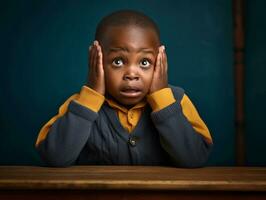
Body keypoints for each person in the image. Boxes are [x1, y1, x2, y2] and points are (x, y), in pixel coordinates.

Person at [35, 10, 213, 167]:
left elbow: (194, 159)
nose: (131, 74)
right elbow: (55, 158)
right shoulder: (81, 104)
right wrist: (92, 95)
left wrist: (162, 98)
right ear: (97, 62)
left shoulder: (177, 100)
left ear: (160, 62)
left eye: (144, 62)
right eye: (118, 61)